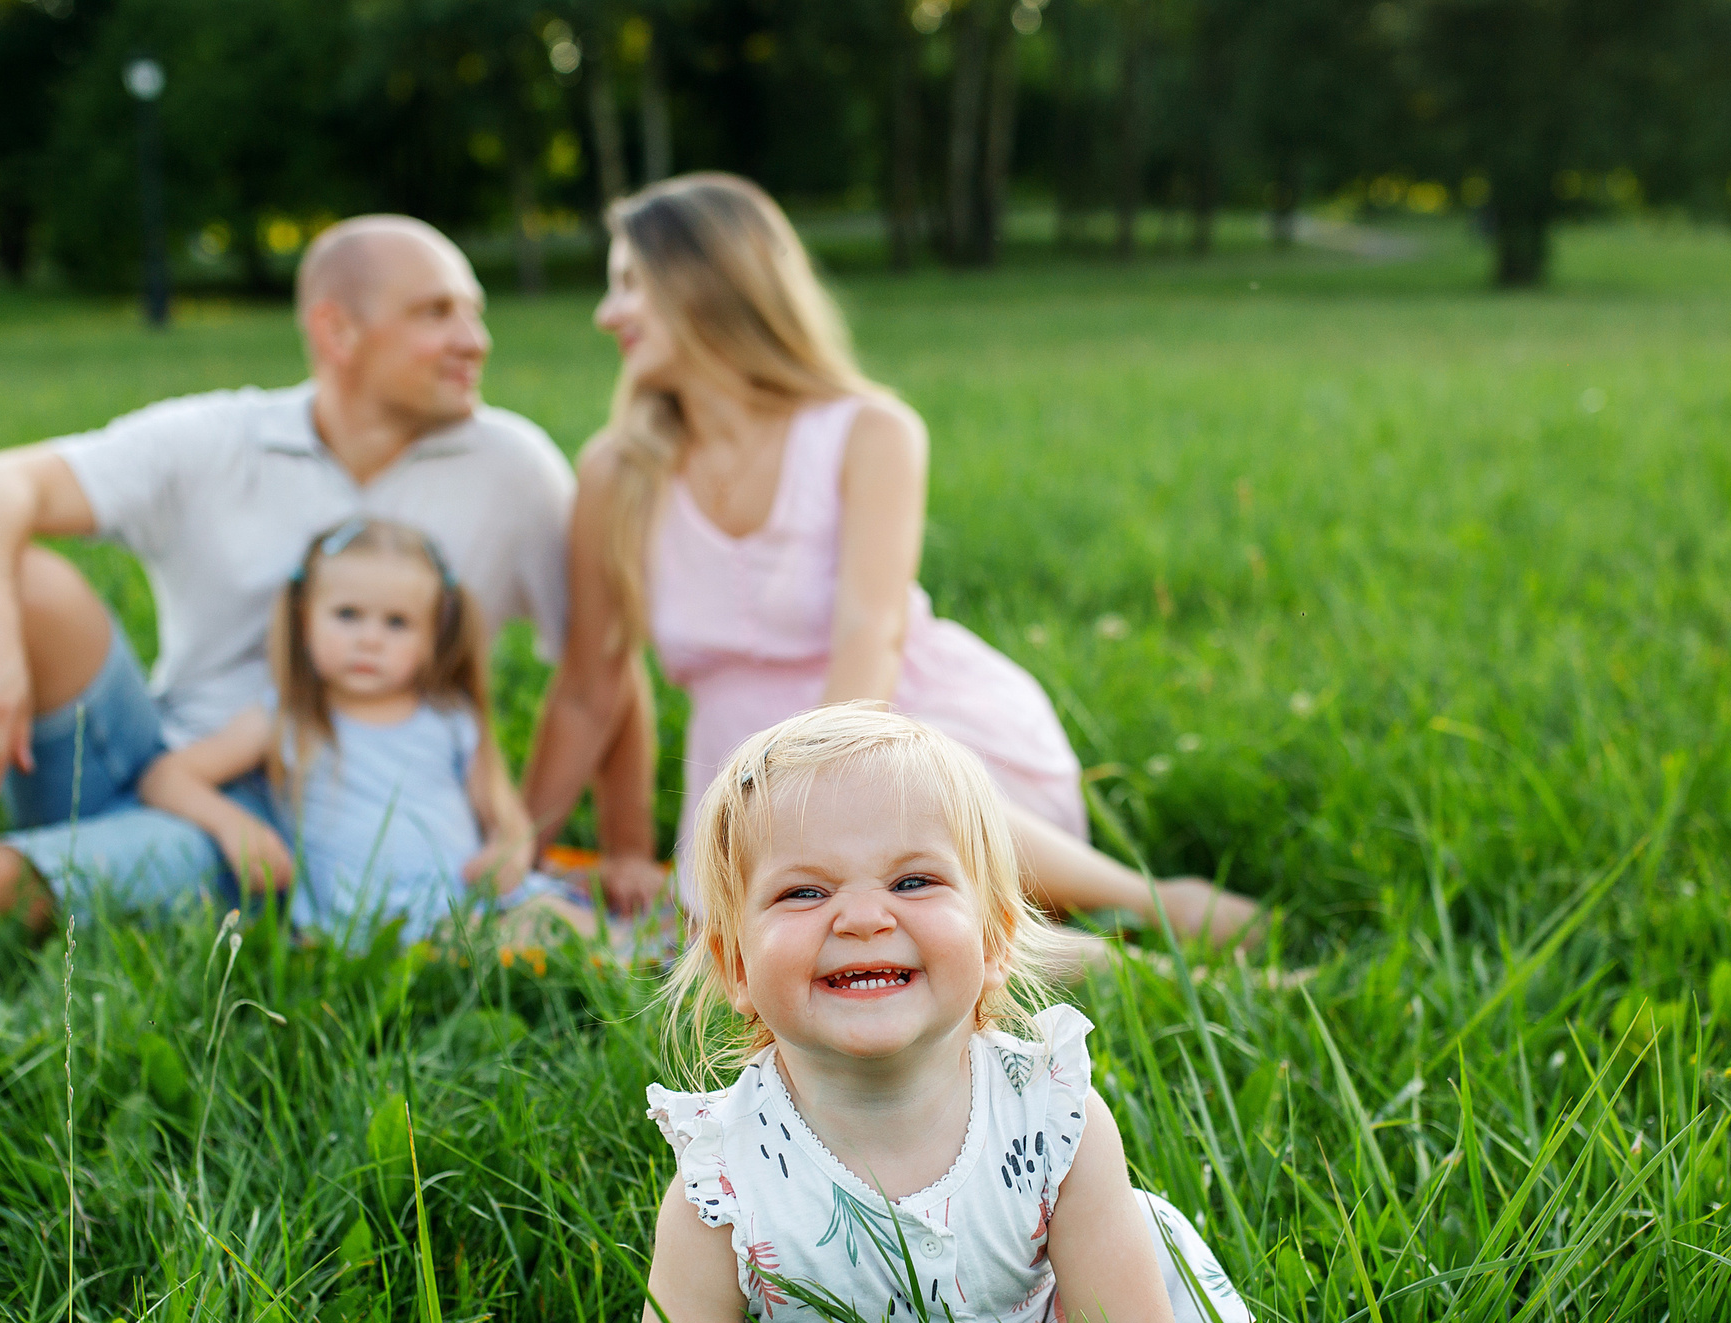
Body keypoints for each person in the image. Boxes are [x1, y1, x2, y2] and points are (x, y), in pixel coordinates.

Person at [0, 213, 662, 952]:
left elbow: (602, 668)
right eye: (437, 313)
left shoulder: (512, 469)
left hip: (300, 822)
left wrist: (608, 845)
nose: (475, 339)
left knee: (25, 875)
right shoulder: (221, 438)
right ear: (337, 330)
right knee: (17, 578)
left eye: (475, 312)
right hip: (158, 754)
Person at [521, 174, 1258, 965]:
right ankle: (1135, 961)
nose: (607, 314)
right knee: (845, 950)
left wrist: (815, 799)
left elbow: (870, 634)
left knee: (905, 859)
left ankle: (1156, 907)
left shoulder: (869, 431)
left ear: (706, 280)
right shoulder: (618, 473)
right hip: (743, 774)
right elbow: (590, 686)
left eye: (629, 283)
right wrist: (515, 850)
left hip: (903, 725)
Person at [605, 703, 1253, 1323]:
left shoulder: (1052, 1116)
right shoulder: (724, 1184)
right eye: (804, 892)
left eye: (913, 882)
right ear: (735, 966)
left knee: (1141, 1277)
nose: (862, 917)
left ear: (994, 940)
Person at [0, 520, 591, 966]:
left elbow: (500, 806)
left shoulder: (450, 717)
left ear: (434, 633)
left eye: (396, 623)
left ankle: (498, 948)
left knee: (567, 926)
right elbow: (169, 777)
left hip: (461, 893)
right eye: (347, 616)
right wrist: (233, 822)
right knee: (469, 952)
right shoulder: (289, 720)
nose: (369, 639)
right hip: (359, 918)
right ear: (304, 620)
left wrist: (510, 846)